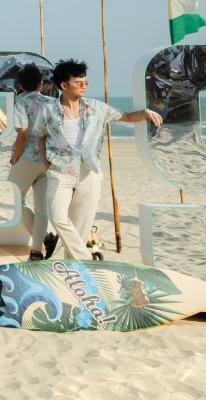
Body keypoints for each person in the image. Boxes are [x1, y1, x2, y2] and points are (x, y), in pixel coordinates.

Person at [33, 59, 162, 260]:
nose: (84, 85)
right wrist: (45, 162)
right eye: (79, 82)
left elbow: (126, 117)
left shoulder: (96, 107)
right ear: (64, 85)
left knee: (81, 227)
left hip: (89, 172)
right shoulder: (48, 110)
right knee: (57, 216)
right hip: (60, 171)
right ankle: (85, 258)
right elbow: (40, 136)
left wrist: (145, 113)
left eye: (86, 81)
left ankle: (74, 265)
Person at [7, 64, 58, 261]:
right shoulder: (53, 103)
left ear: (20, 85)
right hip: (48, 160)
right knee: (41, 209)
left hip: (28, 158)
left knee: (12, 197)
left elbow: (23, 134)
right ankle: (37, 250)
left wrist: (15, 157)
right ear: (41, 84)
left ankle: (45, 240)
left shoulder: (20, 103)